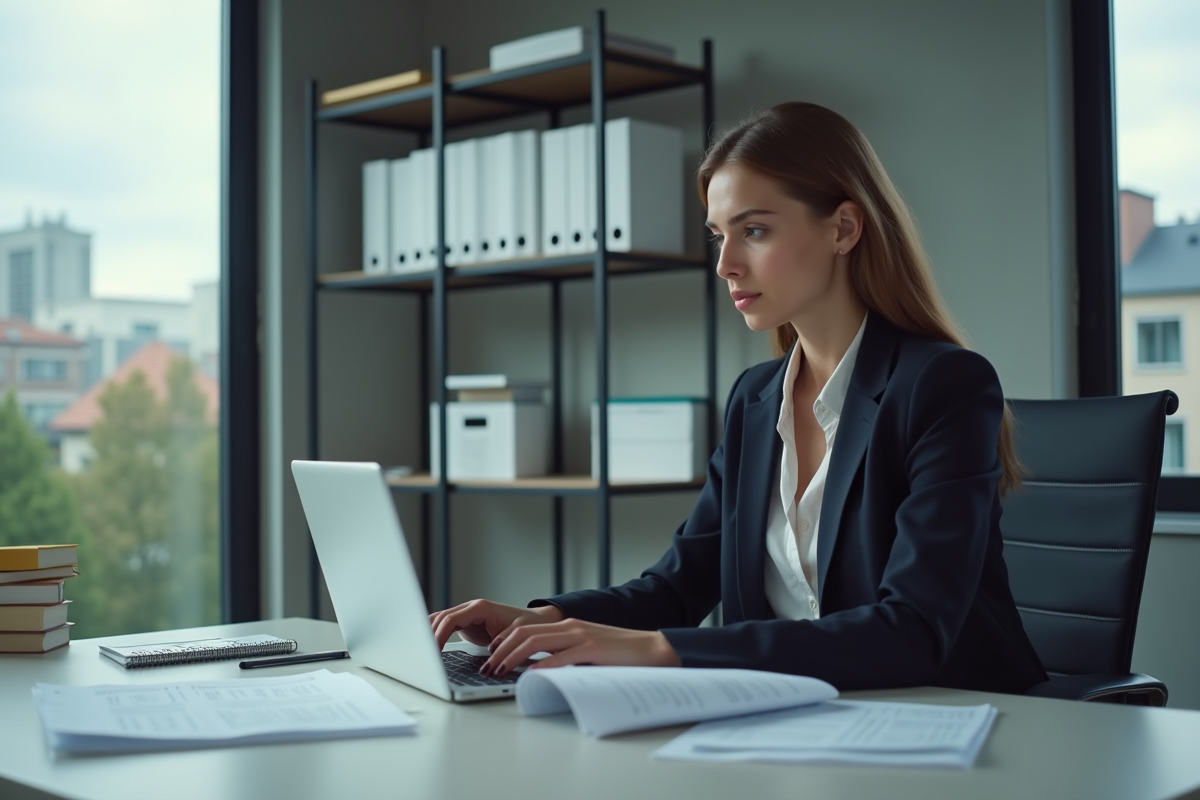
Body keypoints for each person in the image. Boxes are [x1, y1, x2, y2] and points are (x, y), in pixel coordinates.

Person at [430, 101, 1047, 694]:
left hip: (957, 716)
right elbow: (679, 586)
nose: (725, 264)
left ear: (843, 228)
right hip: (797, 717)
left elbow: (912, 631)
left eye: (753, 231)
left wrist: (658, 651)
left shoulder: (943, 385)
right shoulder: (755, 399)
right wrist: (543, 619)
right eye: (718, 236)